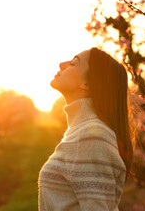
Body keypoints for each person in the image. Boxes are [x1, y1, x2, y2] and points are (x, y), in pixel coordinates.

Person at [38, 47, 135, 210]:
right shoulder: (81, 132)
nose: (62, 64)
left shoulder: (92, 136)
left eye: (74, 63)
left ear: (88, 83)